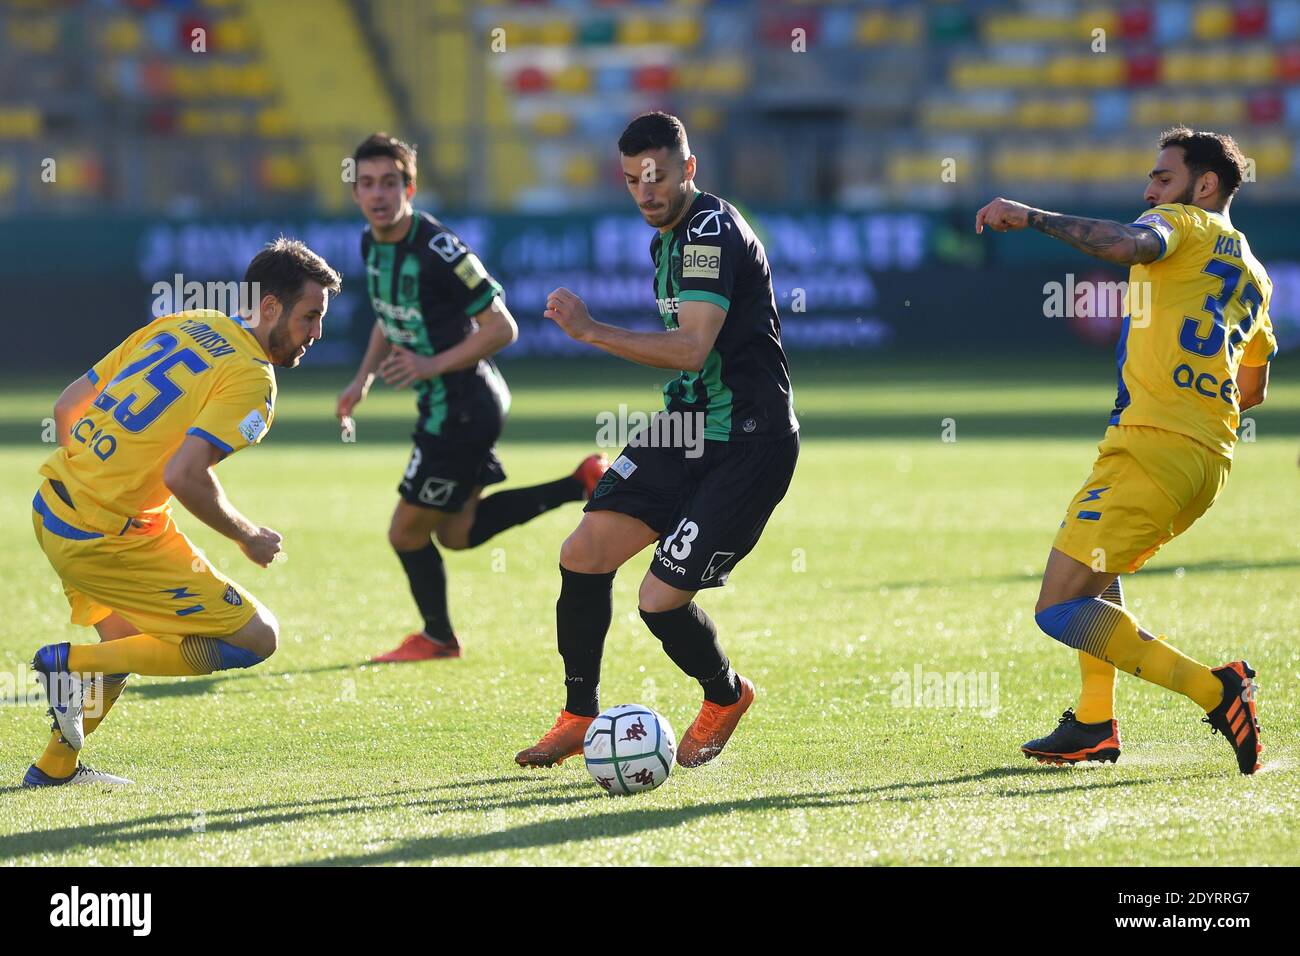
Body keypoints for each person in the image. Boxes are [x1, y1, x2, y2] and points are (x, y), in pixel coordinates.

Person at [976, 126, 1276, 774]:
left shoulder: (1182, 224)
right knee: (1098, 569)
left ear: (1204, 186)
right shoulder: (1255, 277)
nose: (1149, 190)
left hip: (1154, 445)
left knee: (1058, 607)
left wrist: (1031, 216)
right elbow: (1253, 388)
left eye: (1161, 179)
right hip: (1206, 456)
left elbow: (1129, 243)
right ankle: (1092, 722)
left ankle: (1217, 690)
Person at [515, 112, 800, 772]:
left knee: (658, 601)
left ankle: (725, 696)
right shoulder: (665, 241)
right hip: (686, 429)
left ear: (688, 170)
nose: (646, 191)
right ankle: (578, 717)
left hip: (749, 441)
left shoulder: (707, 232)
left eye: (658, 176)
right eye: (633, 180)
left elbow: (692, 347)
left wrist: (590, 331)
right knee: (583, 553)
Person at [26, 238, 341, 786]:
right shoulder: (254, 378)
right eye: (310, 316)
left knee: (125, 642)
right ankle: (65, 665)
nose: (316, 332)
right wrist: (248, 537)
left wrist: (107, 474)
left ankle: (55, 768)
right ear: (270, 308)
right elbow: (185, 476)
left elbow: (66, 406)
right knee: (256, 639)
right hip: (107, 536)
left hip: (54, 505)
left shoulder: (187, 321)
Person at [338, 133, 606, 663]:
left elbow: (502, 327)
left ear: (408, 186)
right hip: (449, 407)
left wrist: (430, 364)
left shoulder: (438, 248)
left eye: (389, 183)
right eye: (366, 184)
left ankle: (437, 638)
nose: (378, 194)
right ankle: (581, 482)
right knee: (457, 533)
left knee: (405, 533)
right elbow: (389, 318)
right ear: (355, 192)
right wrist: (362, 379)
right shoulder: (372, 243)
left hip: (462, 409)